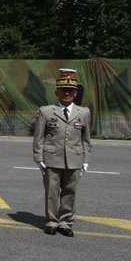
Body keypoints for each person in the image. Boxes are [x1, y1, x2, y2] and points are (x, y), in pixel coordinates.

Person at [32, 73, 91, 237]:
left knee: (70, 191)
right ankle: (52, 221)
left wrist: (86, 160)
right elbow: (39, 137)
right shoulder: (46, 111)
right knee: (52, 191)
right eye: (63, 90)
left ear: (75, 93)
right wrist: (38, 158)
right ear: (57, 92)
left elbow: (86, 139)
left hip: (75, 158)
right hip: (51, 158)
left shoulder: (83, 113)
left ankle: (65, 222)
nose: (67, 93)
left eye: (70, 90)